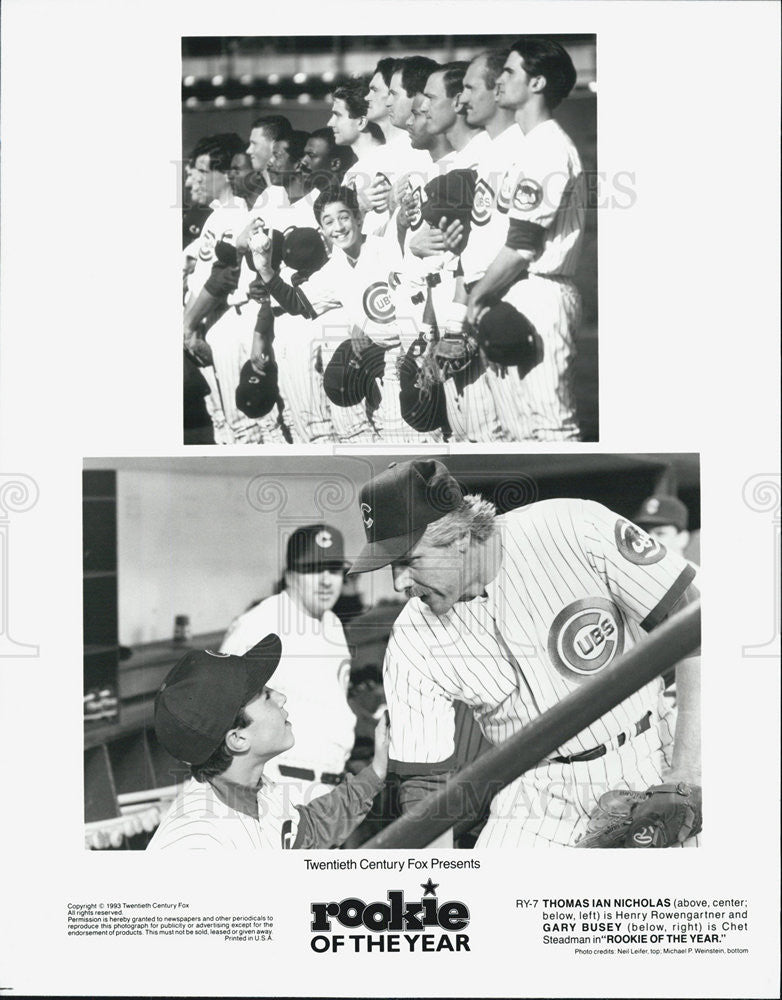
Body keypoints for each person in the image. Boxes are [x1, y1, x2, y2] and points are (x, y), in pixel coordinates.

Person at [347, 458, 702, 848]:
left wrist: (685, 774)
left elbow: (695, 627)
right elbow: (424, 790)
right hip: (537, 789)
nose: (399, 583)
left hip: (650, 747)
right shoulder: (411, 640)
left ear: (459, 537)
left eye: (408, 561)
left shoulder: (573, 527)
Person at [147, 633, 389, 850]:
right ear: (238, 739)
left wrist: (376, 771)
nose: (281, 698)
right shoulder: (197, 843)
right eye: (265, 696)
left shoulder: (257, 792)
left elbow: (312, 829)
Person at [461, 36, 586, 441]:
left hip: (543, 291)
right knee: (519, 428)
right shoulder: (527, 146)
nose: (503, 78)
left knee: (551, 425)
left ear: (537, 83)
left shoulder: (549, 147)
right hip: (518, 291)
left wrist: (477, 299)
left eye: (512, 70)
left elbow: (521, 244)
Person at [219, 524, 357, 800]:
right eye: (314, 570)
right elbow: (222, 710)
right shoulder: (261, 623)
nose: (326, 580)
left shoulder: (332, 623)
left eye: (333, 569)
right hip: (281, 784)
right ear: (291, 575)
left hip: (328, 784)